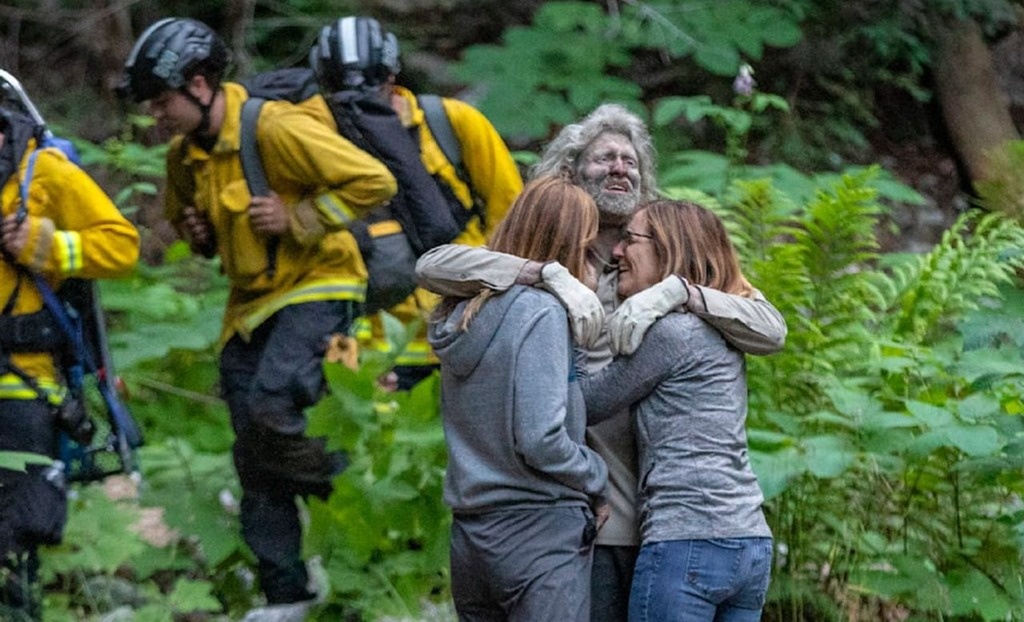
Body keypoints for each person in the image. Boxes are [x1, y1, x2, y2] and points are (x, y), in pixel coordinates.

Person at [415, 103, 786, 622]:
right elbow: (434, 266)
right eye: (604, 158)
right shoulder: (558, 253)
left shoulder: (662, 254)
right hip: (589, 510)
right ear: (570, 171)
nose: (620, 168)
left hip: (670, 518)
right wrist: (546, 274)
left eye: (629, 160)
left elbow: (770, 328)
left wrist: (680, 294)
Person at [117, 17, 397, 607]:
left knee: (274, 404)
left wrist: (300, 217)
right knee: (251, 447)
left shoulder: (273, 126)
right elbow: (197, 233)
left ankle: (350, 495)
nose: (156, 115)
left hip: (320, 283)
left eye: (163, 101)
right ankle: (285, 593)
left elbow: (374, 180)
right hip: (248, 306)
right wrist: (197, 234)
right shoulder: (182, 157)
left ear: (199, 85)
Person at [580, 199, 773, 621]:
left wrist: (570, 339)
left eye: (630, 240)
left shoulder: (671, 331)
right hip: (750, 540)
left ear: (668, 248)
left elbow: (589, 404)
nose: (617, 251)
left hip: (687, 542)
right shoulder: (721, 324)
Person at [309, 15, 523, 391]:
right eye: (338, 90)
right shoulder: (313, 141)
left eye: (371, 85)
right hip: (364, 346)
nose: (354, 102)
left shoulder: (451, 123)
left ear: (392, 75)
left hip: (461, 331)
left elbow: (513, 218)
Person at [428, 175, 608, 621]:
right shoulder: (542, 313)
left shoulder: (464, 311)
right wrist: (596, 475)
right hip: (538, 533)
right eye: (588, 248)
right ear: (568, 248)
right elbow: (540, 437)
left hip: (471, 537)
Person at [0, 96, 140, 618]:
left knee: (15, 535)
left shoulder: (45, 171)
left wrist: (49, 245)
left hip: (24, 382)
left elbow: (122, 246)